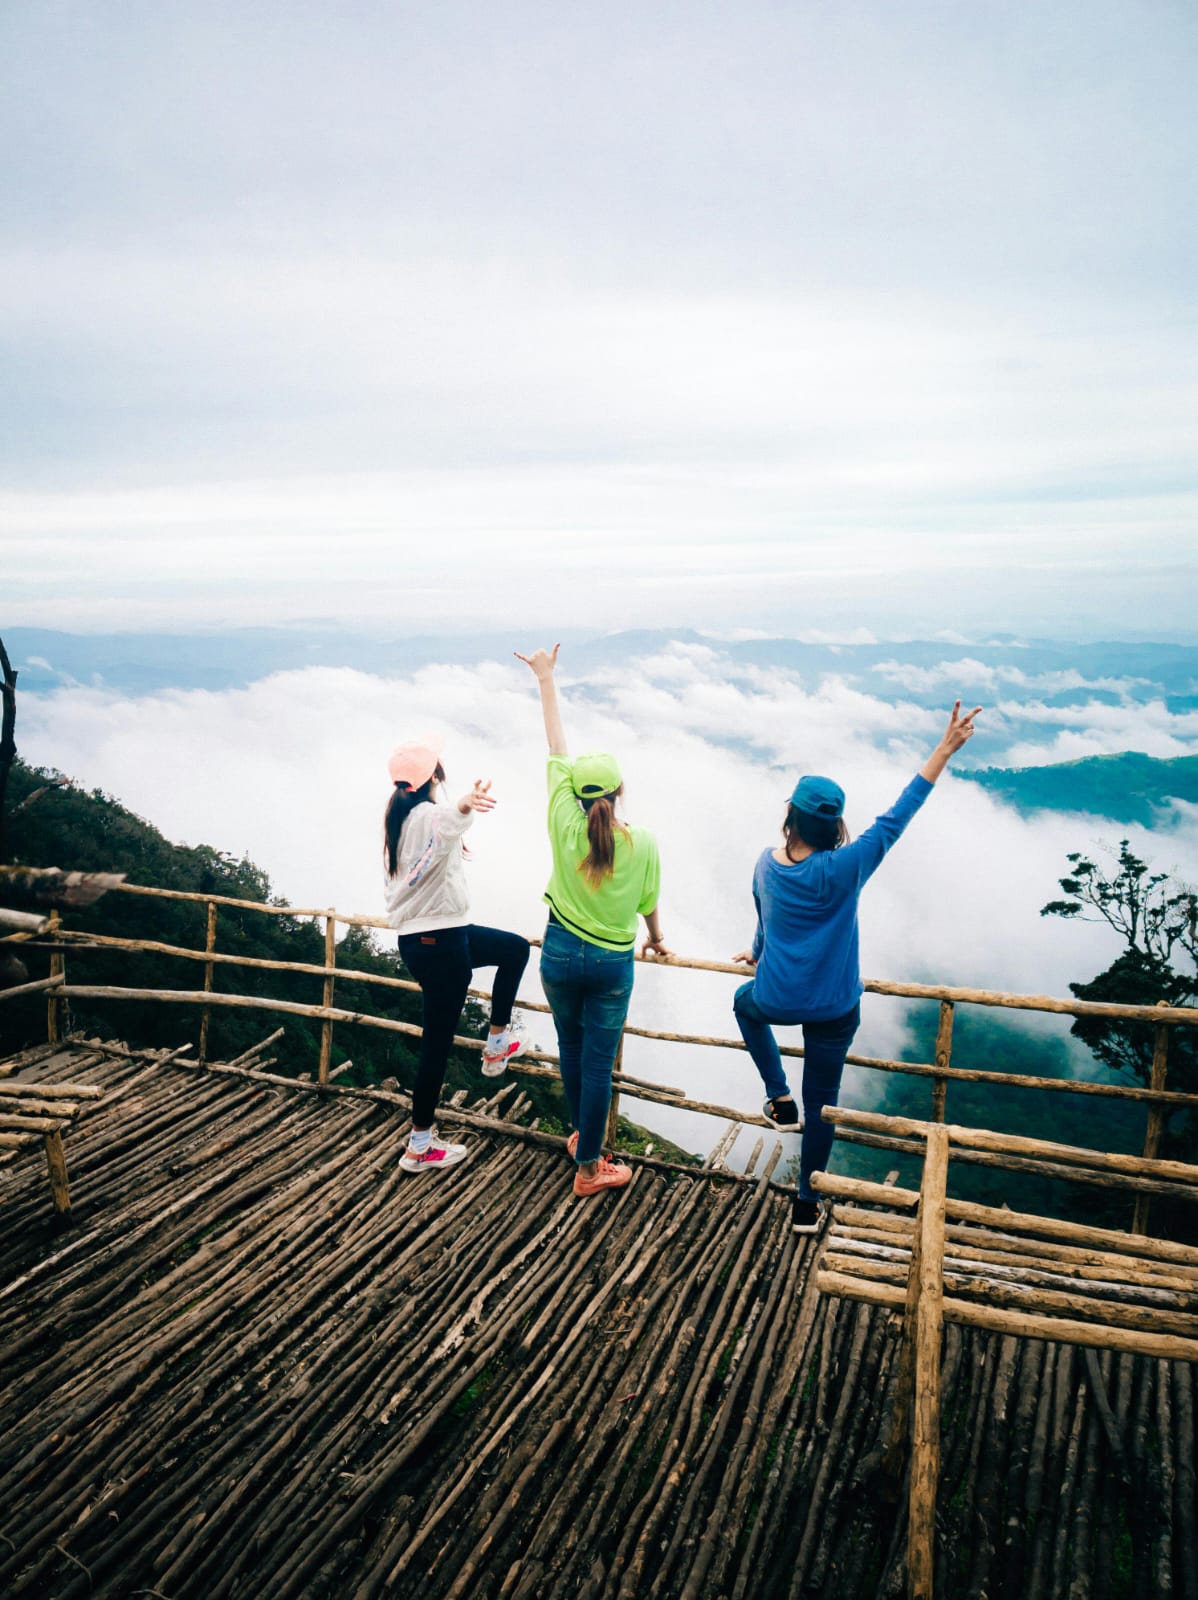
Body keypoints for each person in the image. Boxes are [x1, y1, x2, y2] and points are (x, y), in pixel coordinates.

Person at [731, 701, 982, 1232]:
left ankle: (778, 1098)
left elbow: (764, 913)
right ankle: (806, 1201)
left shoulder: (764, 863)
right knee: (823, 1103)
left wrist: (756, 953)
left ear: (790, 818)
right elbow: (898, 816)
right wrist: (945, 748)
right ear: (835, 825)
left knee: (742, 1005)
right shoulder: (847, 867)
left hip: (774, 996)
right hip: (835, 1007)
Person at [516, 644, 670, 1197]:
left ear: (577, 795)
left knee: (572, 1050)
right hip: (611, 963)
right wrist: (657, 940)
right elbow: (649, 903)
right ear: (618, 793)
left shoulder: (563, 820)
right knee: (599, 1065)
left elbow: (556, 745)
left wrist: (545, 680)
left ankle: (582, 1139)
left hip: (558, 953)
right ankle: (588, 1169)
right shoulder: (644, 842)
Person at [383, 735, 531, 1172]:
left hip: (433, 936)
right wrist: (467, 802)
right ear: (435, 777)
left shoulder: (400, 819)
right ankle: (420, 1145)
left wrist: (462, 806)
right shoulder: (428, 815)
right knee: (436, 1044)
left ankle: (496, 1045)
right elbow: (450, 818)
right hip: (440, 941)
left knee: (514, 948)